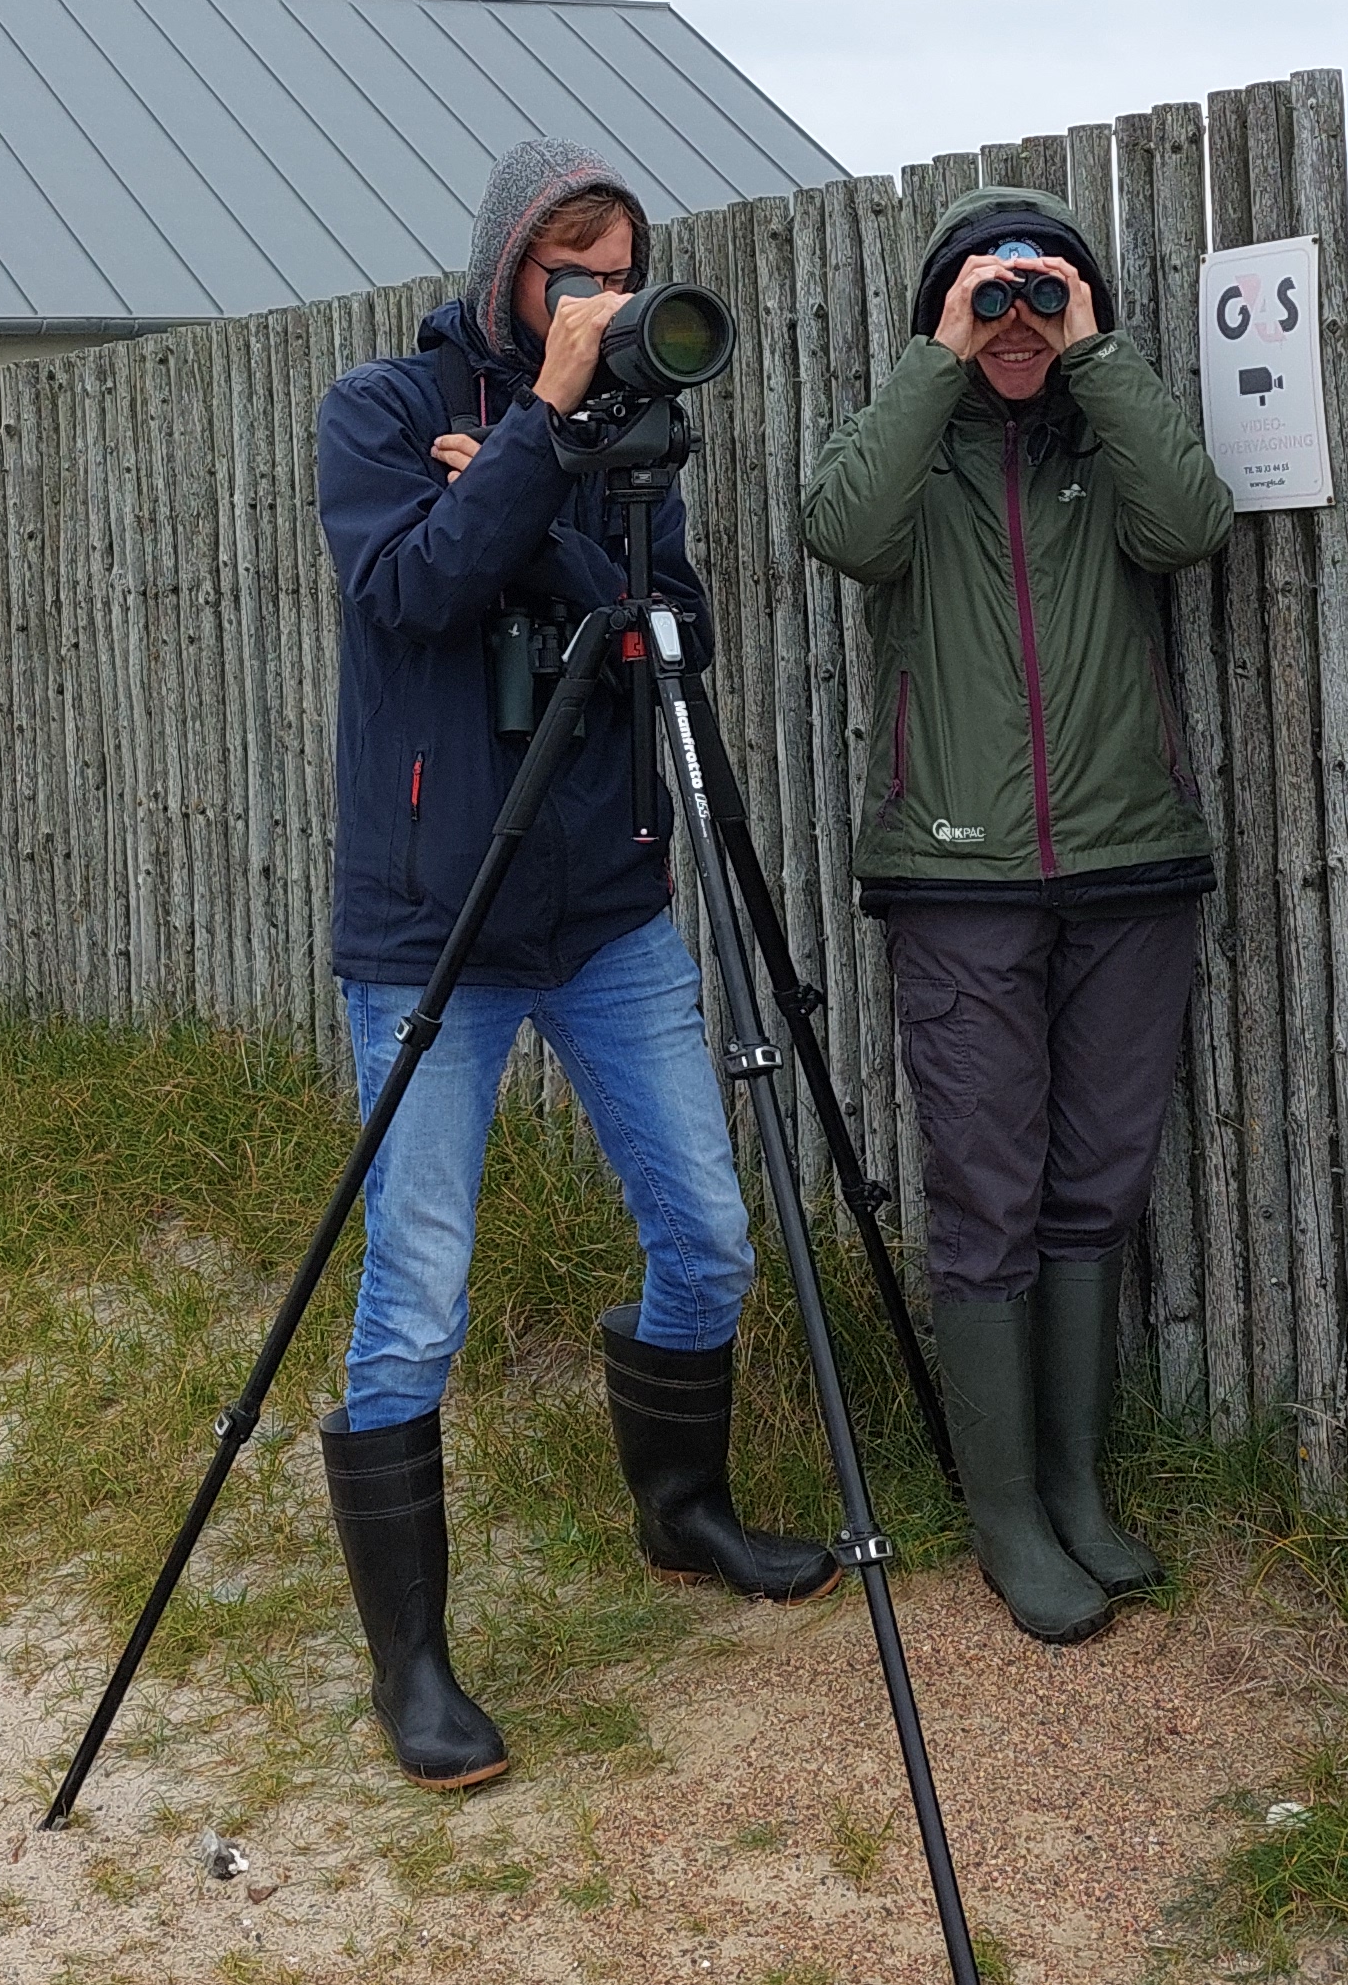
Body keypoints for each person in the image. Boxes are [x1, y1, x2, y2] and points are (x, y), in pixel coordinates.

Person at [308, 134, 838, 1789]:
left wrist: (535, 488)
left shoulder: (633, 441)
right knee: (417, 1297)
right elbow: (412, 596)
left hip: (606, 912)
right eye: (573, 270)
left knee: (711, 1235)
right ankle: (414, 1672)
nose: (603, 300)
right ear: (508, 272)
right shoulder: (380, 417)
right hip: (431, 929)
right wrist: (529, 440)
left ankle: (680, 1513)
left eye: (620, 269)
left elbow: (665, 636)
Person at [798, 186, 1235, 1643]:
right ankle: (1005, 1518)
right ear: (942, 313)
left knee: (1096, 1185)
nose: (1018, 325)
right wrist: (939, 359)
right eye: (990, 300)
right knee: (987, 1189)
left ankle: (1073, 1491)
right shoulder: (910, 463)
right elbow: (842, 530)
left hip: (1128, 863)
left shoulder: (1108, 450)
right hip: (959, 874)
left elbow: (1193, 523)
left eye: (1043, 299)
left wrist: (1096, 357)